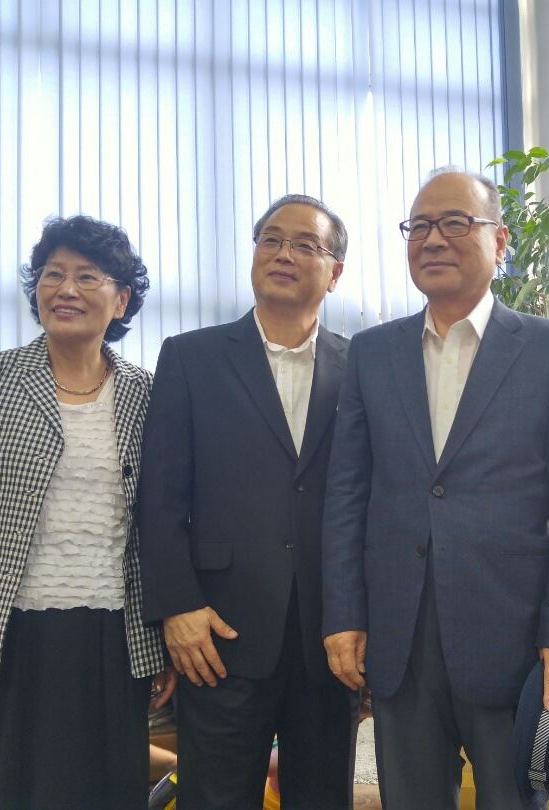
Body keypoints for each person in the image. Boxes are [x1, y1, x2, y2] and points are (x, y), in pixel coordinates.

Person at [321, 169, 549, 809]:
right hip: (400, 633)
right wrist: (344, 615)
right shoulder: (373, 353)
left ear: (499, 241)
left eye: (455, 223)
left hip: (513, 633)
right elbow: (347, 497)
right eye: (419, 226)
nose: (432, 239)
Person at [0, 215, 173, 809]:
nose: (66, 289)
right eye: (52, 275)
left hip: (115, 635)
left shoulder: (146, 392)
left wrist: (160, 640)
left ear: (121, 299)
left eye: (87, 276)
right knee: (4, 787)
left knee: (104, 787)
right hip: (7, 633)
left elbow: (162, 524)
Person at [138, 195, 356, 809]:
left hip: (330, 640)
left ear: (335, 272)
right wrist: (177, 607)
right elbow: (160, 497)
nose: (283, 253)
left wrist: (364, 618)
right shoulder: (191, 357)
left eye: (305, 244)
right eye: (271, 239)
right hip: (219, 635)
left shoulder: (361, 365)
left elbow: (370, 502)